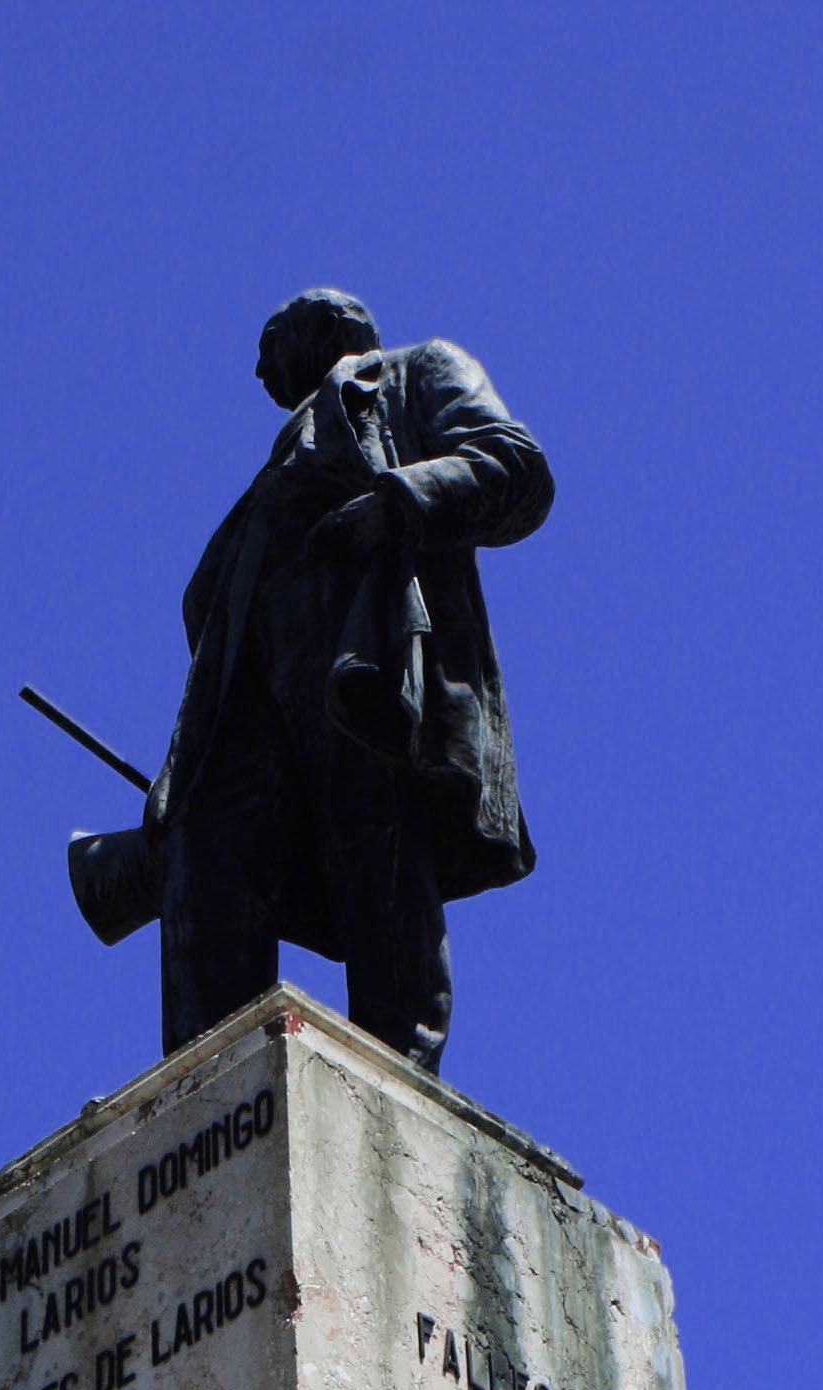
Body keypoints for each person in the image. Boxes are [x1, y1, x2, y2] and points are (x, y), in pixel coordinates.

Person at [136, 287, 554, 1073]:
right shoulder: (266, 479)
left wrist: (394, 504)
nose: (261, 369)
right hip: (244, 702)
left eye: (273, 343)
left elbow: (516, 468)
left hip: (363, 665)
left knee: (379, 864)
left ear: (328, 323)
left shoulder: (416, 372)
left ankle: (399, 1081)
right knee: (206, 872)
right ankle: (207, 1092)